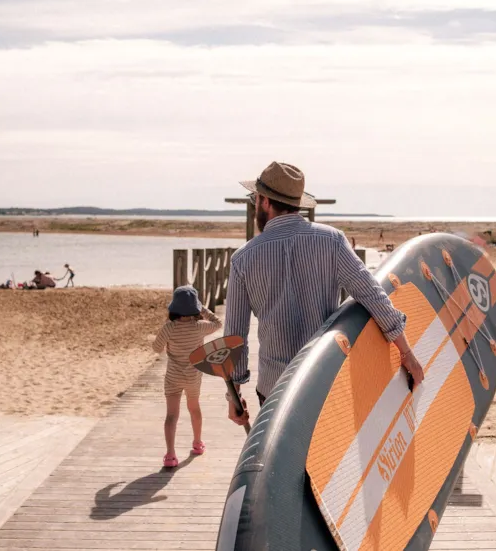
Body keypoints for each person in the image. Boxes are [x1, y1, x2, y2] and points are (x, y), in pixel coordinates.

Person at [223, 161, 424, 428]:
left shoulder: (243, 259)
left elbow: (234, 338)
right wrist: (406, 352)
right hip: (325, 383)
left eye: (255, 200)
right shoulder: (332, 241)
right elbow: (374, 297)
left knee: (282, 468)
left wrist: (234, 395)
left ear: (265, 202)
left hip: (274, 388)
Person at [152, 285, 222, 468]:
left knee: (171, 416)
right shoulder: (199, 327)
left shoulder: (169, 328)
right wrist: (203, 309)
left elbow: (156, 348)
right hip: (193, 376)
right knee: (194, 408)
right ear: (195, 308)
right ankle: (197, 443)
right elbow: (218, 323)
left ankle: (170, 455)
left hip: (173, 376)